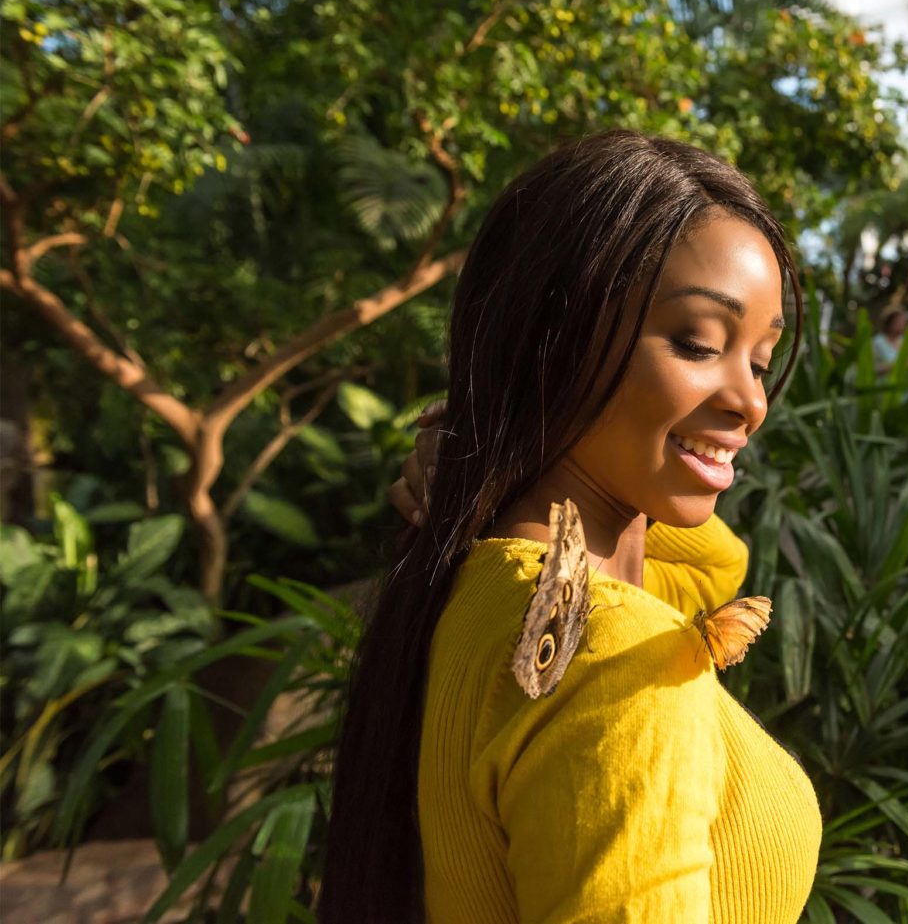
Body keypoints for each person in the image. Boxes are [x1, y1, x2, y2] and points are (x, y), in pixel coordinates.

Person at [320, 132, 820, 923]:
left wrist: (487, 444)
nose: (751, 401)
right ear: (550, 331)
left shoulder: (485, 578)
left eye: (758, 360)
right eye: (698, 342)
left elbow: (713, 566)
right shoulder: (621, 660)